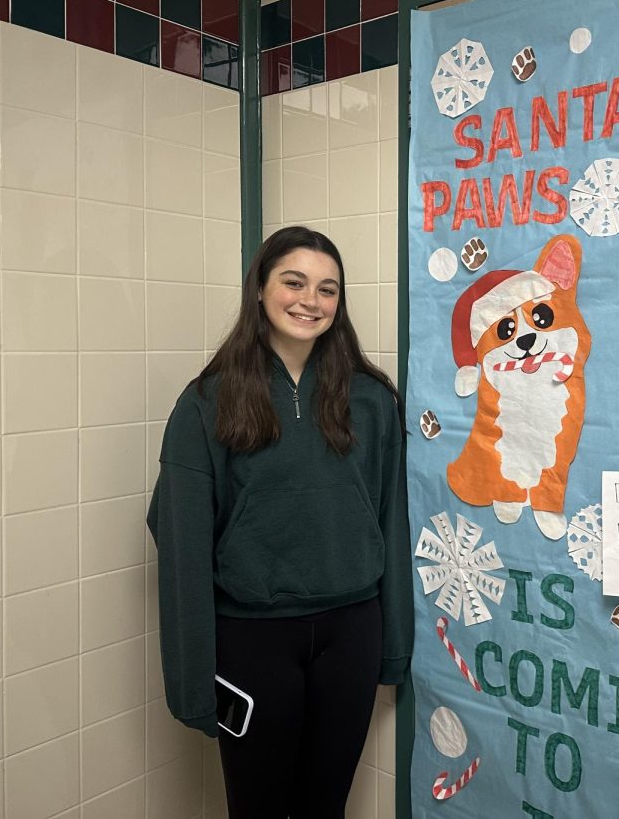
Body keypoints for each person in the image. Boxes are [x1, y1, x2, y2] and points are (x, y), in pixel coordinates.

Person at [147, 226, 413, 818]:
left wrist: (394, 643)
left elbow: (392, 522)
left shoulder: (371, 399)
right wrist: (192, 681)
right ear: (261, 290)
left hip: (352, 632)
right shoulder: (207, 402)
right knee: (258, 807)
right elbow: (183, 546)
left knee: (326, 807)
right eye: (293, 282)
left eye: (327, 289)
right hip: (251, 640)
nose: (309, 301)